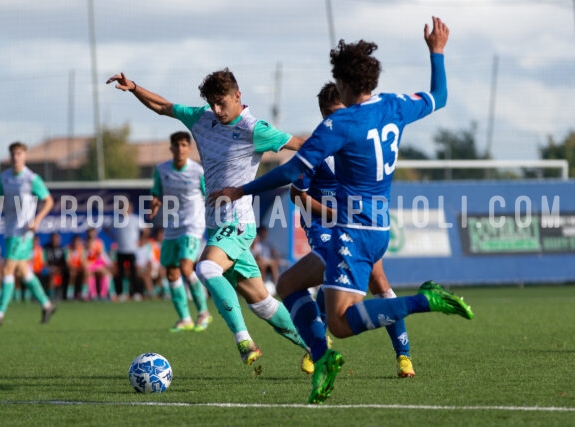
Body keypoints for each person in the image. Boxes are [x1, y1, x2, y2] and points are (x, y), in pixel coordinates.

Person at [211, 17, 473, 403]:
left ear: (344, 84)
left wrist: (242, 189)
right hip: (374, 227)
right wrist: (437, 52)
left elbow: (291, 170)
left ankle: (423, 300)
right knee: (286, 285)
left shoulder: (339, 124)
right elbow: (440, 95)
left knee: (341, 322)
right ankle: (323, 358)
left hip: (353, 230)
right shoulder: (396, 105)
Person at [107, 67, 312, 369]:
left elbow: (305, 146)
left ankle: (244, 341)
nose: (217, 110)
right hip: (217, 224)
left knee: (205, 268)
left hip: (238, 223)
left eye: (222, 103)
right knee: (260, 301)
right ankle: (316, 346)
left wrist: (328, 165)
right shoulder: (203, 118)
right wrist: (135, 87)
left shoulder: (255, 129)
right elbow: (164, 107)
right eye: (212, 104)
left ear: (237, 95)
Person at [287, 81, 415, 378]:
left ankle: (404, 355)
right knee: (330, 275)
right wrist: (335, 213)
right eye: (330, 114)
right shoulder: (317, 147)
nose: (337, 119)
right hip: (322, 225)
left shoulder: (361, 140)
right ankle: (317, 346)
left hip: (359, 224)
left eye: (340, 111)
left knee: (379, 281)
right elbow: (297, 196)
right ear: (323, 115)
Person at [0, 141, 56, 325]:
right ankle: (47, 305)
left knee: (7, 269)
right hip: (9, 230)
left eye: (19, 154)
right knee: (23, 271)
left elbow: (49, 201)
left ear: (25, 156)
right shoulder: (4, 177)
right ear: (10, 156)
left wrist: (37, 220)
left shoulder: (31, 179)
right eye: (13, 154)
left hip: (23, 232)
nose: (16, 157)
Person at [150, 131, 211, 332]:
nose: (180, 149)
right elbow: (157, 193)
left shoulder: (198, 171)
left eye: (184, 145)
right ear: (171, 148)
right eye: (177, 145)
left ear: (189, 148)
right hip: (172, 226)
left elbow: (208, 196)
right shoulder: (162, 169)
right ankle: (185, 318)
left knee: (186, 267)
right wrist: (155, 204)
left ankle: (203, 312)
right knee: (171, 272)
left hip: (192, 225)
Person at [106, 199, 142, 302]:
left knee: (133, 273)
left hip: (132, 250)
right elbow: (107, 228)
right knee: (120, 273)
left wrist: (141, 241)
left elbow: (146, 230)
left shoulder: (135, 219)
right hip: (121, 250)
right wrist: (114, 237)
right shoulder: (117, 220)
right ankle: (121, 293)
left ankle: (136, 292)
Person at [83, 227, 112, 301]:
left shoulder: (99, 243)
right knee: (88, 273)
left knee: (106, 273)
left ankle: (103, 294)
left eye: (93, 233)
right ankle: (93, 294)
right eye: (90, 233)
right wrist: (87, 248)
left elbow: (102, 254)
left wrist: (109, 263)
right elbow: (83, 256)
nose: (92, 235)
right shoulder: (84, 243)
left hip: (97, 264)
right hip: (88, 264)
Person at [43, 232, 66, 300]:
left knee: (61, 274)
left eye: (56, 238)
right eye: (53, 238)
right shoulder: (46, 248)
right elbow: (43, 261)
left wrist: (58, 268)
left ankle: (60, 293)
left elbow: (64, 263)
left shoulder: (62, 249)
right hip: (46, 269)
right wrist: (50, 267)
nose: (55, 240)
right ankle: (51, 295)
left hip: (58, 270)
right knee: (52, 274)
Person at [65, 234, 86, 300]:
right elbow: (67, 262)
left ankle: (83, 294)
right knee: (72, 274)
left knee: (86, 273)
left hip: (78, 268)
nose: (76, 243)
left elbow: (82, 262)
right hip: (70, 268)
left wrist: (81, 268)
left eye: (78, 242)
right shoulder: (67, 249)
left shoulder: (81, 249)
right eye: (75, 241)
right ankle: (69, 295)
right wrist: (74, 268)